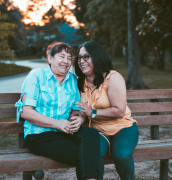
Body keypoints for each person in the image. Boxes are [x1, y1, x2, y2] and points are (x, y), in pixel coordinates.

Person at [15, 42, 100, 180]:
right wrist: (57, 123)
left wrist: (78, 119)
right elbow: (26, 112)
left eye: (69, 58)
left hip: (64, 132)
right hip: (38, 135)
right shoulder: (36, 76)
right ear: (50, 58)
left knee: (91, 134)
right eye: (62, 56)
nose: (66, 61)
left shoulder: (72, 80)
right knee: (85, 154)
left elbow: (76, 109)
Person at [75, 41, 139, 180]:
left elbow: (119, 111)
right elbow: (81, 109)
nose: (81, 61)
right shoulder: (79, 82)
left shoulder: (112, 77)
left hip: (122, 128)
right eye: (79, 57)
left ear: (97, 57)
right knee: (90, 154)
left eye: (86, 56)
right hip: (97, 131)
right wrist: (80, 116)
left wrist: (92, 112)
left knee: (121, 155)